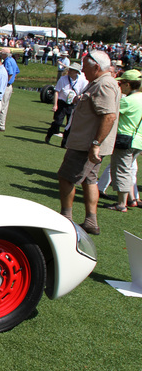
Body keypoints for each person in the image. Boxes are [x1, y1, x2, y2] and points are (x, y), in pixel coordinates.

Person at [57, 50, 121, 235]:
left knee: (67, 177)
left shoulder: (104, 85)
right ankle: (90, 221)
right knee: (90, 180)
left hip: (86, 145)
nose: (82, 70)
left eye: (85, 66)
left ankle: (65, 218)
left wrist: (95, 144)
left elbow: (109, 116)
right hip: (89, 143)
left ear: (97, 67)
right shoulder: (101, 83)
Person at [107, 69, 142, 211]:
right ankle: (132, 199)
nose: (120, 86)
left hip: (126, 139)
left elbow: (111, 111)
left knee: (121, 170)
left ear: (128, 85)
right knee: (128, 170)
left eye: (121, 83)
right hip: (138, 140)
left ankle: (121, 204)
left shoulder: (128, 101)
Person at [45, 62, 88, 144]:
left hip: (73, 104)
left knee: (69, 124)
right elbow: (57, 91)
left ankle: (64, 143)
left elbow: (84, 92)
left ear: (76, 72)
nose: (70, 71)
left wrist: (79, 98)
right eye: (70, 69)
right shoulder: (63, 79)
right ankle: (49, 134)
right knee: (58, 122)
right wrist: (55, 104)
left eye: (72, 70)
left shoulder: (82, 81)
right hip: (62, 103)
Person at [0, 47, 19, 131]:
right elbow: (16, 72)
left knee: (2, 105)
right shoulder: (12, 60)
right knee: (5, 105)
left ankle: (0, 125)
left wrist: (5, 83)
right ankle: (1, 124)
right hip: (9, 85)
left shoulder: (8, 61)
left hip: (6, 85)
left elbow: (10, 73)